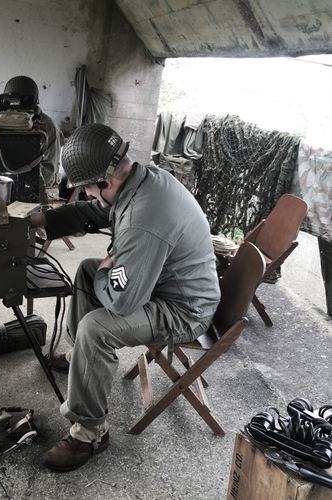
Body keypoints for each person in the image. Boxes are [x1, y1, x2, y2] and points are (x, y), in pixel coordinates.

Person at [29, 123, 221, 472]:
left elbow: (122, 301)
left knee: (96, 327)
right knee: (88, 269)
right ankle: (81, 359)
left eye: (86, 188)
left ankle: (90, 432)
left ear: (105, 180)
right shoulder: (141, 179)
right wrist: (45, 219)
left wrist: (107, 269)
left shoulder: (143, 218)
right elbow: (97, 211)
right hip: (174, 287)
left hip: (185, 309)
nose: (85, 195)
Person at [3, 76, 63, 191]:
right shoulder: (3, 120)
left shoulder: (48, 126)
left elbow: (48, 174)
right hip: (10, 182)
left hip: (41, 189)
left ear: (28, 101)